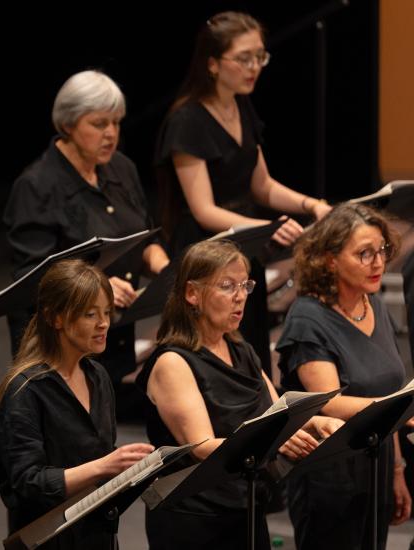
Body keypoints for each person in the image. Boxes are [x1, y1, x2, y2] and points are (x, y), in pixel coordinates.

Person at [136, 239, 342, 550]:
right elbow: (202, 447)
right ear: (192, 293)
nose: (240, 297)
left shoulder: (241, 349)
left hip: (246, 505)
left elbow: (277, 417)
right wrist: (275, 441)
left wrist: (314, 425)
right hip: (194, 520)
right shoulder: (172, 362)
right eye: (227, 286)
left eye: (245, 285)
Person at [155, 11, 331, 372]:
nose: (255, 67)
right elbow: (203, 209)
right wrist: (263, 229)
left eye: (260, 57)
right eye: (245, 58)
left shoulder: (240, 105)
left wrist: (311, 205)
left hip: (241, 247)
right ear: (213, 64)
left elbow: (262, 185)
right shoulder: (186, 120)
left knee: (249, 348)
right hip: (204, 252)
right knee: (210, 354)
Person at [3, 69, 169, 406]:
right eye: (98, 124)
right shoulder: (36, 185)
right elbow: (31, 276)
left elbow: (142, 236)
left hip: (110, 334)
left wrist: (167, 270)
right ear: (68, 124)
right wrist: (100, 287)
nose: (111, 134)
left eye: (116, 123)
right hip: (57, 345)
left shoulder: (122, 168)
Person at [0, 259, 155, 549]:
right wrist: (105, 466)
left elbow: (97, 453)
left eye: (107, 312)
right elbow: (28, 483)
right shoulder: (25, 391)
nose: (104, 323)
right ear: (56, 318)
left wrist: (134, 467)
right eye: (90, 314)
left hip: (96, 535)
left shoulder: (97, 376)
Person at [276, 203, 411, 550]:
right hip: (330, 475)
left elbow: (388, 388)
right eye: (364, 254)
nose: (379, 262)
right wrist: (403, 411)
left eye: (381, 250)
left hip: (377, 465)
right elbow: (331, 403)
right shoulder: (308, 318)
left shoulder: (374, 305)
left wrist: (397, 471)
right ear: (330, 259)